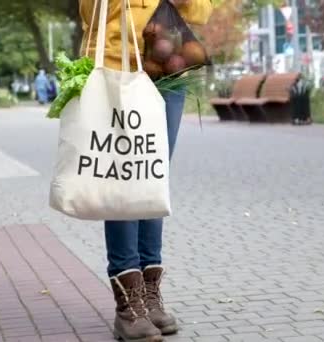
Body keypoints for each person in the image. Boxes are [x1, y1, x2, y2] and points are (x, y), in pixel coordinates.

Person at [79, 0, 212, 341]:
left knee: (153, 177)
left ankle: (150, 294)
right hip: (118, 68)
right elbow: (89, 11)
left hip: (167, 68)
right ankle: (128, 304)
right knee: (126, 178)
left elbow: (200, 12)